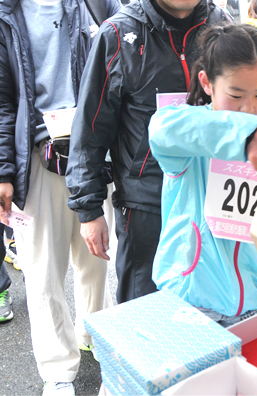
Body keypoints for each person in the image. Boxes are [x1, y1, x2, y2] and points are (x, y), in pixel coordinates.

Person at [66, 0, 230, 304]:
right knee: (143, 313)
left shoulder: (222, 24)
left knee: (211, 309)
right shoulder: (117, 34)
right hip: (146, 204)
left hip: (212, 196)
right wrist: (88, 210)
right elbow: (91, 128)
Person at [0, 0, 121, 392]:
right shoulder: (6, 14)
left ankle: (95, 334)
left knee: (96, 258)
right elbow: (2, 101)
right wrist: (3, 170)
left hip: (92, 148)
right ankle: (56, 368)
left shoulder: (97, 3)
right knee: (42, 269)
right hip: (36, 156)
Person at [148, 24, 257, 327]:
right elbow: (160, 129)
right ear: (207, 83)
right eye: (235, 94)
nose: (249, 108)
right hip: (193, 303)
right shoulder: (191, 137)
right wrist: (245, 134)